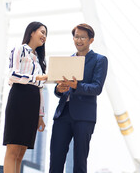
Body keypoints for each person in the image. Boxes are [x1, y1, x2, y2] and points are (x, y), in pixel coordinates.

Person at [49, 23, 108, 173]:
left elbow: (97, 87)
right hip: (62, 114)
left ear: (91, 40)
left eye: (83, 37)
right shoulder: (67, 61)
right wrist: (59, 89)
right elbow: (59, 90)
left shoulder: (99, 60)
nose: (79, 40)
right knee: (55, 159)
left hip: (84, 116)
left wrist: (76, 86)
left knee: (80, 162)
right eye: (76, 37)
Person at [3, 21, 48, 173]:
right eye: (42, 32)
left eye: (46, 34)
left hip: (33, 103)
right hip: (19, 98)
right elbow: (12, 74)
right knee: (13, 149)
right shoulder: (19, 49)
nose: (44, 36)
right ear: (32, 32)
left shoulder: (41, 61)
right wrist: (37, 79)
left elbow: (41, 90)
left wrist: (40, 116)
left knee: (22, 151)